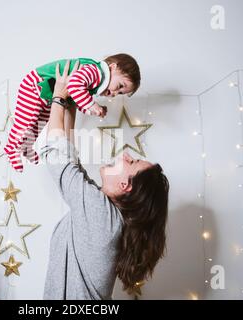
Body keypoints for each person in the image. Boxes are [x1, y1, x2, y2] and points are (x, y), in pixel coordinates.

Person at [40, 60, 169, 299]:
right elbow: (70, 160)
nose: (127, 155)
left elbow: (57, 157)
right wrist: (70, 103)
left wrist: (58, 96)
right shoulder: (106, 212)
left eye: (132, 162)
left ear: (125, 186)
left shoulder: (102, 217)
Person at [4, 53, 141, 172]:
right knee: (26, 121)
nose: (115, 93)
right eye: (120, 86)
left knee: (39, 123)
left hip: (48, 96)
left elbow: (75, 98)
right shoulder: (95, 72)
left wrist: (90, 110)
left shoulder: (96, 83)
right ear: (112, 67)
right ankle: (11, 147)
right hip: (35, 85)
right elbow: (73, 86)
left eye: (120, 93)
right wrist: (92, 105)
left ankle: (26, 146)